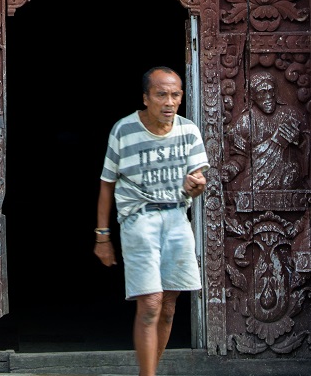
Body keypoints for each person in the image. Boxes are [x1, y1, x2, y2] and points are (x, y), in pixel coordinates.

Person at [94, 67, 208, 376]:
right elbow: (107, 183)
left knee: (169, 307)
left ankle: (150, 372)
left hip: (176, 218)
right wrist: (102, 235)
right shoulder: (124, 130)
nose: (169, 102)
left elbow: (198, 178)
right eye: (161, 95)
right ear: (146, 98)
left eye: (175, 95)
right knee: (151, 305)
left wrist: (195, 185)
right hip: (139, 221)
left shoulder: (188, 131)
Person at [222, 69, 306, 190]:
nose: (268, 97)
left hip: (288, 180)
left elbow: (306, 146)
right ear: (253, 96)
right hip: (257, 182)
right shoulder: (246, 121)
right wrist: (232, 169)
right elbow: (240, 156)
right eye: (262, 92)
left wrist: (299, 140)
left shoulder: (290, 114)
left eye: (270, 91)